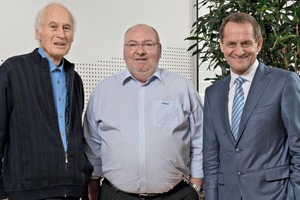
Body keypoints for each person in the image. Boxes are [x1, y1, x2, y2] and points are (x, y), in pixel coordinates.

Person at [83, 24, 204, 200]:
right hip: (115, 196)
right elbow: (92, 146)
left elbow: (200, 138)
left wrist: (196, 185)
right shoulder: (103, 91)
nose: (140, 51)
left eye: (148, 44)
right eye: (132, 45)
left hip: (175, 195)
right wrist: (93, 190)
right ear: (124, 50)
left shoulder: (181, 88)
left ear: (160, 50)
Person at [0, 3, 93, 200]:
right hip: (25, 193)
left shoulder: (74, 79)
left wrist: (82, 182)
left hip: (72, 192)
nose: (61, 34)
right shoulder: (13, 71)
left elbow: (76, 137)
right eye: (53, 26)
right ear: (38, 32)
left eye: (66, 28)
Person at [203, 12, 300, 200]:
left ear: (259, 44)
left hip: (275, 195)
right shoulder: (213, 93)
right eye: (231, 44)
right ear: (222, 46)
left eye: (246, 43)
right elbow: (211, 157)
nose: (239, 51)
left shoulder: (285, 82)